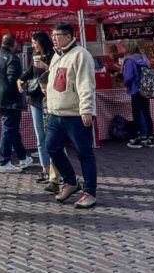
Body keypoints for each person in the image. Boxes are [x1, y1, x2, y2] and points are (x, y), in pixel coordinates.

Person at [45, 22, 97, 209]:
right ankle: (70, 181)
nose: (54, 39)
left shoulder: (81, 55)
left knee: (84, 153)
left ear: (68, 36)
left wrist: (86, 109)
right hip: (55, 113)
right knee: (51, 147)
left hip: (75, 113)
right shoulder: (56, 56)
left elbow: (86, 84)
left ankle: (90, 192)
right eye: (53, 35)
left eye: (57, 35)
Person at [0, 34, 31, 173]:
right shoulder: (13, 58)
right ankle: (4, 160)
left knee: (11, 128)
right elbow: (13, 79)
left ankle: (22, 156)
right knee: (9, 129)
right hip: (10, 100)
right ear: (14, 44)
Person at [18, 31, 54, 183]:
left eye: (34, 42)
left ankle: (56, 170)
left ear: (41, 41)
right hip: (35, 99)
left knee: (52, 136)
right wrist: (19, 80)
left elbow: (59, 74)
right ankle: (45, 169)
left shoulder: (54, 55)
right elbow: (28, 72)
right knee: (40, 137)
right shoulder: (34, 56)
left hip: (50, 99)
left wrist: (46, 67)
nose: (33, 45)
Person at [123, 41, 154, 149]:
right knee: (146, 112)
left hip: (135, 89)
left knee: (138, 113)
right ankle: (150, 137)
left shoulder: (129, 60)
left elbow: (128, 77)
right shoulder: (144, 58)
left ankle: (142, 137)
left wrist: (126, 84)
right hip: (146, 88)